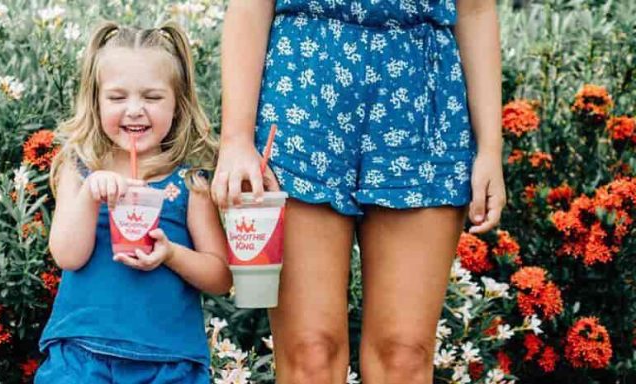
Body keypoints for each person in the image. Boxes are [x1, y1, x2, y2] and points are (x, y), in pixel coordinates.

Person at [213, 1, 505, 383]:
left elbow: (476, 11)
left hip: (422, 101)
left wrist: (490, 150)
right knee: (310, 353)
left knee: (404, 355)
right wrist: (235, 139)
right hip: (303, 88)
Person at [36, 21, 232, 384]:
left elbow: (220, 276)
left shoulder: (189, 181)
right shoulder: (79, 169)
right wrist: (91, 194)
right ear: (96, 101)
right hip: (82, 354)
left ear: (178, 103)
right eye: (117, 97)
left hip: (168, 362)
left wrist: (171, 254)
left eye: (153, 97)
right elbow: (67, 255)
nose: (135, 110)